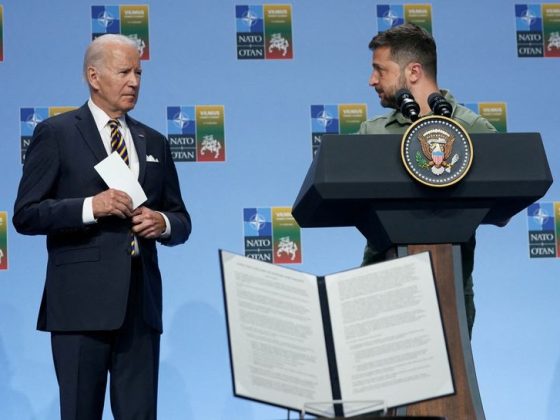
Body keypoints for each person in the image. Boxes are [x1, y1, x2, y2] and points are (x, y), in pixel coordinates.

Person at [13, 34, 191, 419]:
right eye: (124, 72)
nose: (134, 82)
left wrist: (161, 222)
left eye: (139, 73)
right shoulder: (57, 133)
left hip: (140, 308)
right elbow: (26, 214)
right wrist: (90, 207)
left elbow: (181, 219)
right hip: (79, 306)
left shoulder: (154, 141)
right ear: (94, 77)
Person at [359, 23, 496, 337]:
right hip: (378, 292)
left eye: (380, 70)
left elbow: (504, 206)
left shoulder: (473, 130)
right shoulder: (372, 133)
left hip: (451, 292)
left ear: (413, 71)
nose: (372, 80)